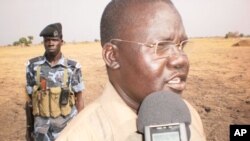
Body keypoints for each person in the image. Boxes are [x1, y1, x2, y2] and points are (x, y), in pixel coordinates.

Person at [57, 0, 206, 141]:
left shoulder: (188, 115)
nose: (181, 59)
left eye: (181, 45)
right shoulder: (81, 136)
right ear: (112, 57)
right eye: (160, 46)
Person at [25, 22, 85, 141]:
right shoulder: (32, 66)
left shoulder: (73, 67)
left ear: (61, 42)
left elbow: (80, 100)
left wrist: (81, 128)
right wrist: (29, 128)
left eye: (54, 40)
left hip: (67, 130)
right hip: (41, 132)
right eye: (47, 40)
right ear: (44, 42)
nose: (51, 43)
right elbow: (30, 101)